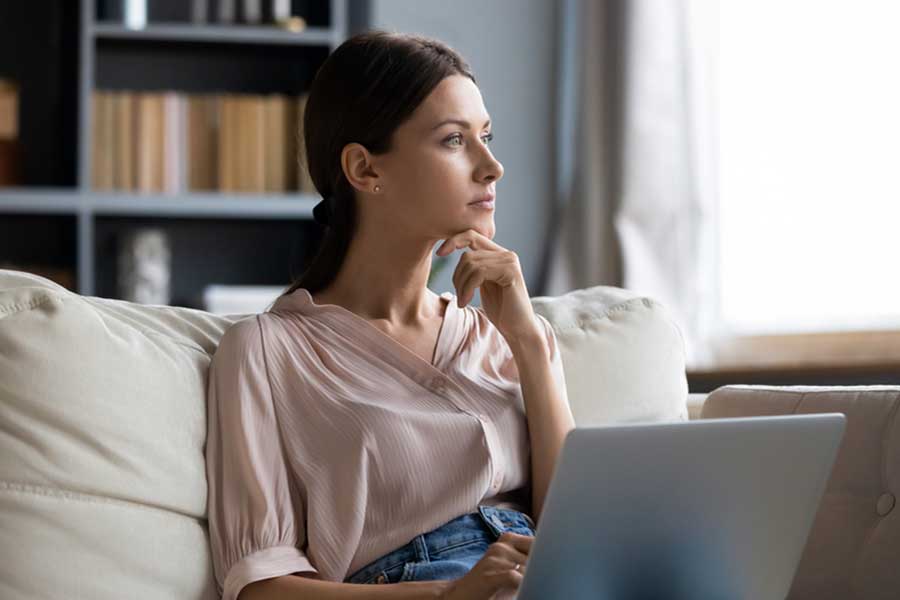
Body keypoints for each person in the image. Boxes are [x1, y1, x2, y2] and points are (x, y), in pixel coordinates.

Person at [205, 29, 574, 600]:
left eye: (487, 136)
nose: (492, 166)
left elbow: (577, 533)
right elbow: (264, 587)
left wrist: (530, 345)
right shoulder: (266, 350)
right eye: (455, 141)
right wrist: (450, 596)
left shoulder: (502, 334)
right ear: (364, 169)